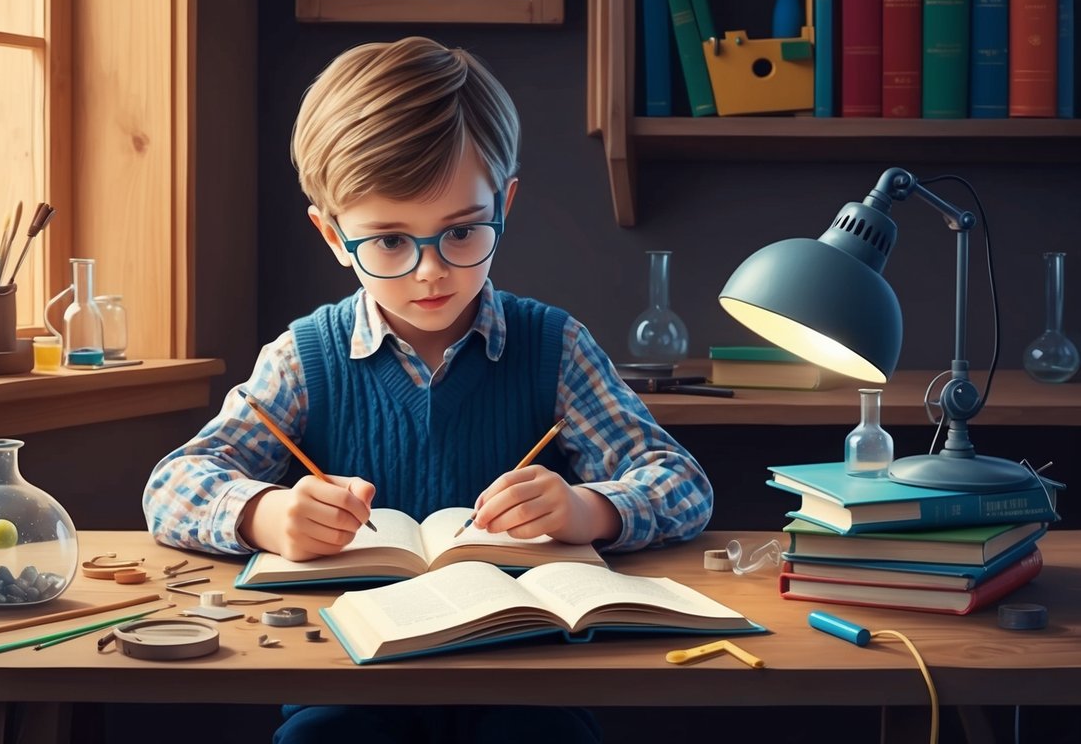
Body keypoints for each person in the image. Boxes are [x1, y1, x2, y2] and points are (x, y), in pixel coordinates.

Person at [143, 36, 713, 744]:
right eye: (387, 242)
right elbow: (173, 484)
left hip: (527, 682)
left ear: (503, 205)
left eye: (462, 232)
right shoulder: (302, 356)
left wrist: (585, 509)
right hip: (348, 684)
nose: (429, 273)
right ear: (329, 233)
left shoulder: (554, 346)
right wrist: (265, 514)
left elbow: (679, 482)